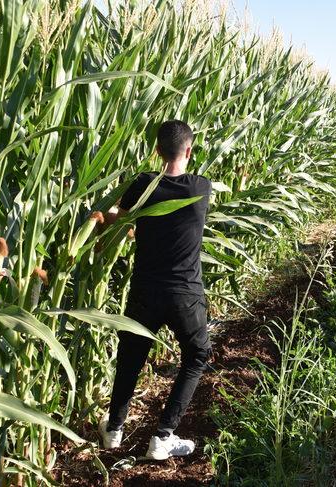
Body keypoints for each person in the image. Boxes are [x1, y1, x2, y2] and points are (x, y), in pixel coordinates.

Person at [101, 120, 212, 460]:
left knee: (131, 359)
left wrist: (99, 218)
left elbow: (116, 218)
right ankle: (163, 436)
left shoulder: (142, 186)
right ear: (189, 151)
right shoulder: (201, 187)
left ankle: (114, 429)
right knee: (197, 356)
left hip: (145, 292)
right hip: (185, 295)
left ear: (156, 151)